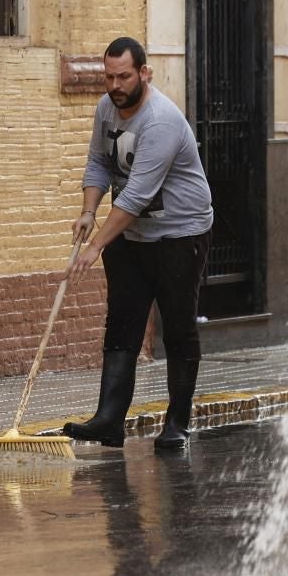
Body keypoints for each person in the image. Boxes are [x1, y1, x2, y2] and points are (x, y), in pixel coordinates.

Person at [64, 36, 215, 452]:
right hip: (129, 235)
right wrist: (89, 210)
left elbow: (136, 195)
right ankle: (109, 421)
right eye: (109, 76)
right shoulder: (105, 108)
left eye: (124, 76)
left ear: (143, 73)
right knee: (122, 323)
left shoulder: (161, 121)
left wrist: (95, 247)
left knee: (179, 328)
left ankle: (177, 425)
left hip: (179, 235)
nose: (115, 84)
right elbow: (98, 161)